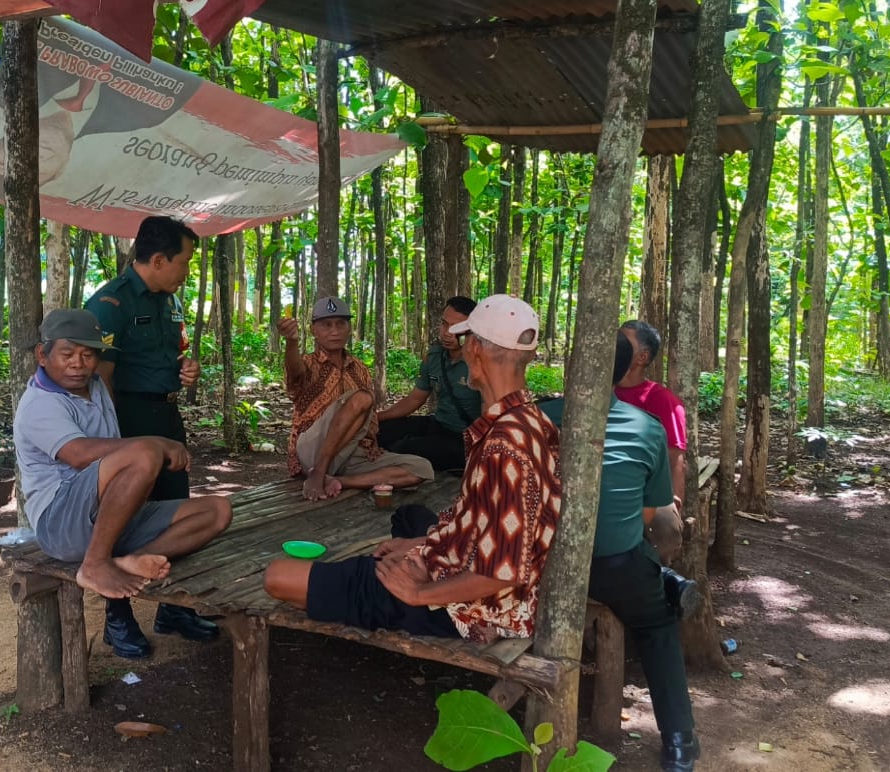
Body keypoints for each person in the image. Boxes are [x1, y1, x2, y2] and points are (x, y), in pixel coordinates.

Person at [264, 294, 560, 646]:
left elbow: (503, 571)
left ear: (476, 351)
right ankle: (405, 559)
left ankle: (385, 590)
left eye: (465, 341)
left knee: (278, 576)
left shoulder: (505, 446)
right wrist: (425, 546)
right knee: (409, 520)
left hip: (469, 606)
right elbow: (492, 530)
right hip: (460, 569)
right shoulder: (532, 421)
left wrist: (419, 591)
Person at [13, 309, 232, 659]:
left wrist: (184, 369)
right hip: (61, 525)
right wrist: (158, 444)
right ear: (43, 355)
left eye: (87, 355)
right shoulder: (40, 402)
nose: (77, 364)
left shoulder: (96, 385)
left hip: (110, 517)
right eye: (66, 354)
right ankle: (96, 564)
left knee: (217, 510)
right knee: (144, 453)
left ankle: (130, 560)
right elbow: (79, 454)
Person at [537, 333, 700, 772]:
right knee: (656, 624)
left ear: (574, 368)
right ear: (624, 371)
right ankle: (680, 742)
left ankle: (665, 581)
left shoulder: (536, 418)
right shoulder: (647, 428)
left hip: (539, 562)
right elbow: (647, 516)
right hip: (614, 567)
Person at [85, 215, 218, 644]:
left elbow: (167, 355)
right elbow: (100, 378)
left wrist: (185, 370)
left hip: (166, 416)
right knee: (124, 513)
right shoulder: (111, 304)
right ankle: (117, 616)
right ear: (158, 259)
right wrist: (119, 446)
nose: (187, 271)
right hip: (128, 421)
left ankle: (173, 609)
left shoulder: (169, 300)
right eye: (184, 262)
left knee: (174, 510)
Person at [278, 295, 434, 501]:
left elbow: (368, 421)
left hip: (349, 454)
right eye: (326, 325)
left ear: (349, 328)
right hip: (313, 451)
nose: (334, 331)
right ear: (313, 331)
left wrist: (372, 446)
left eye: (341, 324)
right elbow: (295, 371)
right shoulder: (308, 363)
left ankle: (337, 481)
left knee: (421, 468)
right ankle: (318, 471)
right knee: (361, 399)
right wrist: (291, 342)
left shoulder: (359, 368)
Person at [615, 320, 700, 619]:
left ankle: (659, 588)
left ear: (643, 357)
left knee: (662, 528)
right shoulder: (601, 393)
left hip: (648, 492)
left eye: (626, 342)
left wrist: (674, 502)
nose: (617, 346)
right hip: (607, 488)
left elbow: (676, 459)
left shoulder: (662, 401)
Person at [375, 296, 482, 472]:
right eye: (444, 324)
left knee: (405, 449)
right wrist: (376, 418)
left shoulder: (482, 362)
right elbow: (415, 399)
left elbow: (494, 413)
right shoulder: (434, 356)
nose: (447, 333)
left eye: (457, 328)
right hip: (438, 424)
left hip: (465, 439)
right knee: (381, 432)